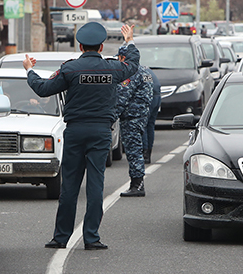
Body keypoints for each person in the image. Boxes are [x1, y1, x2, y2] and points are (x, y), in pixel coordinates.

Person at [23, 22, 140, 250]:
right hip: (101, 132)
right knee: (96, 186)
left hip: (75, 132)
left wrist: (29, 69)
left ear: (80, 45)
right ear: (101, 46)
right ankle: (92, 238)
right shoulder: (113, 69)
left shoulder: (70, 69)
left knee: (70, 187)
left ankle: (61, 237)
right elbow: (133, 65)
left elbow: (43, 89)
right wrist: (129, 41)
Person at [112, 45, 153, 197]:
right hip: (141, 115)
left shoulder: (130, 73)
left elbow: (121, 98)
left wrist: (111, 117)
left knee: (133, 150)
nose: (118, 60)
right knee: (136, 148)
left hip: (131, 117)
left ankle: (137, 184)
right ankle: (136, 183)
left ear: (124, 58)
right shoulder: (145, 72)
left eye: (119, 58)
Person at [143, 69, 160, 164]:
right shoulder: (146, 70)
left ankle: (145, 152)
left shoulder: (135, 71)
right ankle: (148, 152)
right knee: (150, 125)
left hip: (149, 98)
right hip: (156, 97)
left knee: (143, 125)